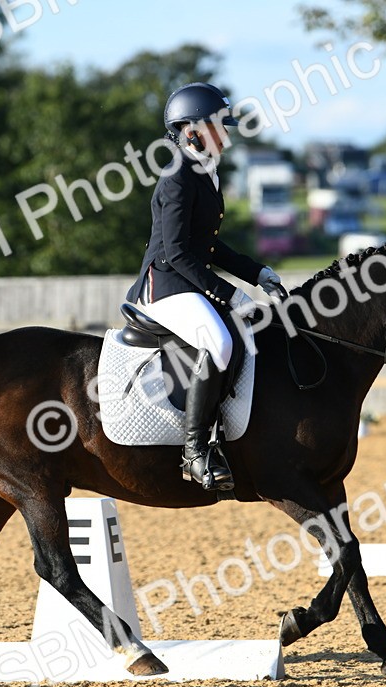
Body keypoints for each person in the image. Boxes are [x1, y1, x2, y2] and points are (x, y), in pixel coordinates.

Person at [126, 82, 284, 492]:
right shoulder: (178, 176)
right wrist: (228, 293)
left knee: (245, 332)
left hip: (187, 281)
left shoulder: (204, 173)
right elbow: (178, 253)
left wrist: (257, 273)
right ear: (191, 130)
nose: (227, 134)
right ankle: (195, 452)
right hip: (164, 287)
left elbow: (208, 245)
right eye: (219, 126)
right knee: (218, 341)